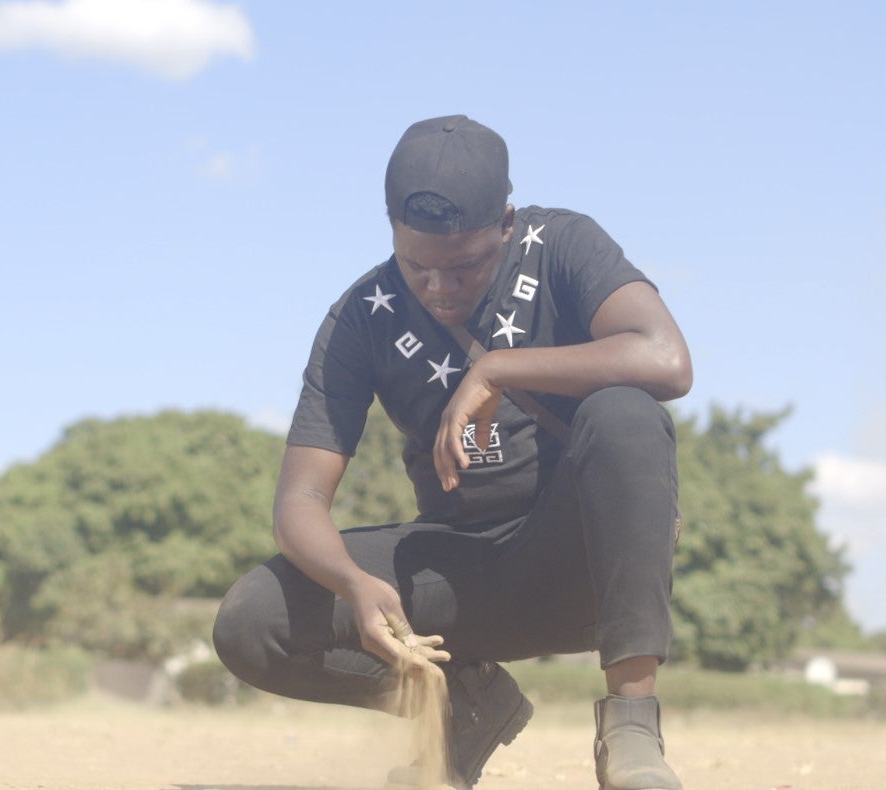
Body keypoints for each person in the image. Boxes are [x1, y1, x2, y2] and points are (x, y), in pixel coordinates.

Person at [212, 115, 692, 790]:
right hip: (464, 574)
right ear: (391, 234)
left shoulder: (563, 244)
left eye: (465, 266)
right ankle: (460, 702)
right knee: (251, 621)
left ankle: (632, 726)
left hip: (585, 558)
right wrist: (353, 583)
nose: (440, 288)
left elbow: (666, 360)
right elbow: (301, 499)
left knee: (628, 410)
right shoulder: (362, 314)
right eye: (418, 266)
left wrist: (498, 368)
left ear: (506, 222)